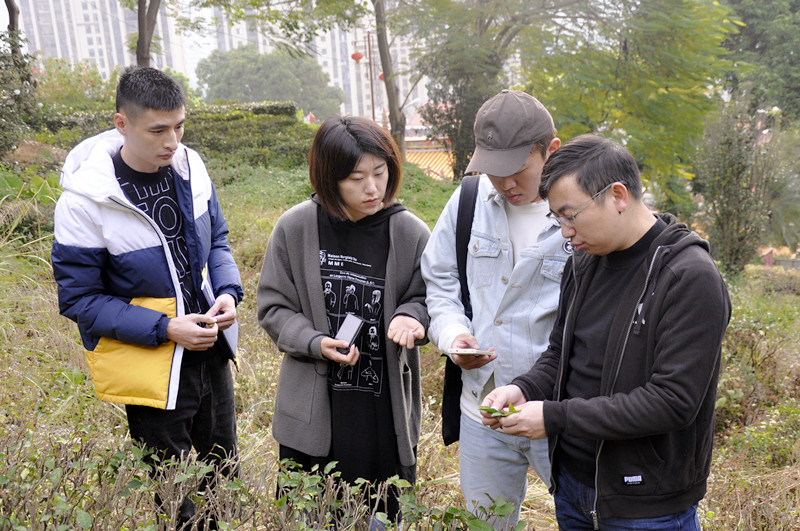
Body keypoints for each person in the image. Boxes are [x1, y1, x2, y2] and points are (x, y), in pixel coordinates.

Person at [481, 134, 731, 530]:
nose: (565, 232)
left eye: (570, 215)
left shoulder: (688, 278)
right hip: (573, 487)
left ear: (617, 195)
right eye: (556, 219)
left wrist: (555, 417)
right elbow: (560, 353)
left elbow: (673, 401)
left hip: (648, 505)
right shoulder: (583, 263)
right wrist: (525, 389)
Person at [51, 66, 243, 528]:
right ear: (122, 123)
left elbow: (217, 240)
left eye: (179, 126)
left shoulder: (190, 165)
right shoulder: (85, 200)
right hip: (152, 361)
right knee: (175, 491)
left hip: (210, 350)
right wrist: (165, 328)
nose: (172, 141)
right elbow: (80, 300)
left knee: (224, 476)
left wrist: (228, 292)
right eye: (157, 129)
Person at [256, 115, 430, 527]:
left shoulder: (410, 233)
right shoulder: (296, 227)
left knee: (381, 513)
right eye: (355, 178)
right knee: (312, 514)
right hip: (315, 408)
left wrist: (411, 315)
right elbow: (273, 307)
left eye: (380, 173)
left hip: (381, 413)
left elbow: (429, 297)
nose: (372, 188)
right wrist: (315, 342)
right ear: (328, 178)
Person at [421, 89, 569, 527]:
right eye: (493, 171)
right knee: (485, 524)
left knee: (586, 518)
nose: (506, 184)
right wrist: (453, 336)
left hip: (558, 412)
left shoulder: (580, 214)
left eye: (518, 171)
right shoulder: (468, 201)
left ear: (551, 151)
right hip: (482, 408)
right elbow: (440, 281)